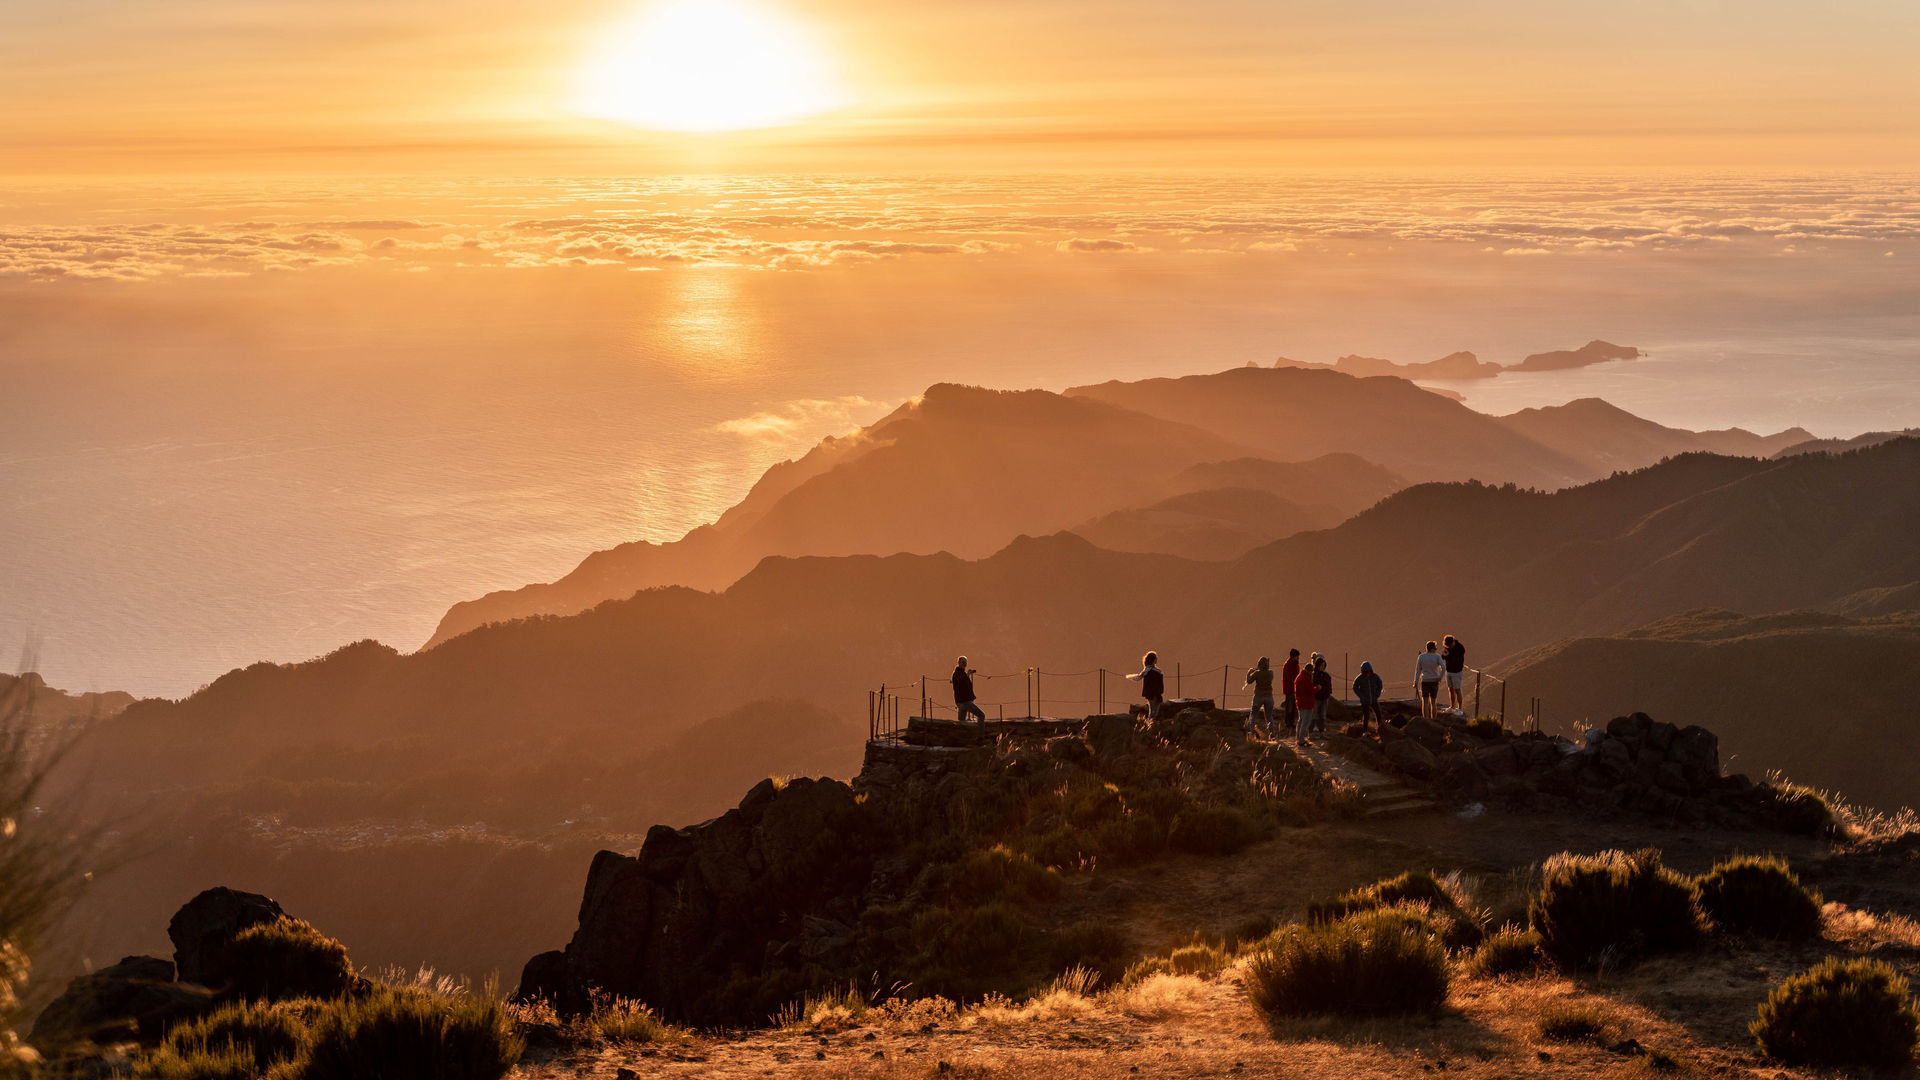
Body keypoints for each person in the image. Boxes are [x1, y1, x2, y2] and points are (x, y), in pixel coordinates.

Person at [1127, 651, 1166, 720]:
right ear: (1153, 660)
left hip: (1150, 693)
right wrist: (1159, 693)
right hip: (1155, 693)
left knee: (1152, 709)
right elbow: (1156, 684)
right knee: (1154, 711)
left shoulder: (1147, 671)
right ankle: (1151, 723)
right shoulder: (1156, 671)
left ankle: (1150, 723)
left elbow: (1139, 678)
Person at [1246, 657, 1277, 738]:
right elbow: (1266, 672)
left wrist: (1249, 672)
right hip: (1269, 697)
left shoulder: (1257, 673)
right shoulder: (1271, 673)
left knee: (1253, 714)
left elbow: (1249, 681)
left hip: (1258, 696)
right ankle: (1272, 733)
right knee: (1269, 716)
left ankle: (1250, 732)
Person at [1415, 640, 1445, 718]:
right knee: (1433, 702)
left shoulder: (1421, 656)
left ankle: (1426, 720)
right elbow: (1443, 667)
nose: (1436, 649)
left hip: (1425, 681)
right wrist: (1440, 677)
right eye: (1435, 648)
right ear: (1432, 648)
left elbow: (1418, 670)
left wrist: (1415, 681)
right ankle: (1434, 720)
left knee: (1425, 702)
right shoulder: (1437, 656)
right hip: (1434, 681)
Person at [1291, 655, 1317, 746]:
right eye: (1311, 671)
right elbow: (1310, 690)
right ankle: (1301, 740)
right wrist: (1318, 688)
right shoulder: (1306, 679)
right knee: (1305, 722)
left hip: (1300, 702)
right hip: (1307, 703)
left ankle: (1298, 738)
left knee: (1300, 721)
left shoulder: (1299, 677)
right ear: (1309, 670)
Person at [952, 657, 985, 726]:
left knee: (961, 721)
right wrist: (968, 675)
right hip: (965, 701)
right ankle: (980, 735)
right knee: (981, 715)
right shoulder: (957, 674)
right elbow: (961, 683)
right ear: (958, 663)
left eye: (965, 662)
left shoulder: (962, 673)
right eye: (963, 662)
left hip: (961, 701)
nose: (964, 664)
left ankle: (962, 735)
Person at [1353, 661, 1384, 730]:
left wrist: (1377, 694)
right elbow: (1355, 687)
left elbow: (1380, 685)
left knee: (1378, 714)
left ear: (1371, 670)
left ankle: (1380, 728)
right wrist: (1361, 696)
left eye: (1369, 671)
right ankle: (1365, 730)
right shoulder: (1360, 678)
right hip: (1365, 701)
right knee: (1366, 716)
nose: (1368, 673)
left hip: (1373, 699)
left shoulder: (1375, 677)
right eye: (1366, 672)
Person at [1280, 649, 1302, 741]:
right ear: (1294, 656)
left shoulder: (1293, 664)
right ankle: (1288, 723)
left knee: (1293, 706)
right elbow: (1290, 678)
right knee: (1289, 706)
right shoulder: (1289, 665)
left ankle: (1291, 722)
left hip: (1293, 689)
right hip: (1290, 689)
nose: (1298, 658)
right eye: (1297, 656)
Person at [1442, 634, 1467, 713]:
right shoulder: (1448, 647)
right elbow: (1444, 656)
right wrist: (1444, 655)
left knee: (1457, 690)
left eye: (1449, 645)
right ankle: (1452, 706)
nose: (1448, 646)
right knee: (1450, 689)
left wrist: (1447, 656)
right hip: (1448, 670)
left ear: (1453, 642)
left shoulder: (1460, 648)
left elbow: (1456, 660)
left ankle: (1460, 709)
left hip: (1456, 672)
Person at [1311, 654, 1333, 733]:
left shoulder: (1326, 675)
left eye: (1323, 665)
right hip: (1316, 697)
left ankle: (1322, 728)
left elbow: (1329, 685)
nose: (1322, 667)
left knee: (1323, 714)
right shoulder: (1314, 675)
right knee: (1315, 713)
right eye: (1321, 665)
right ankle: (1315, 727)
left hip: (1325, 697)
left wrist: (1328, 693)